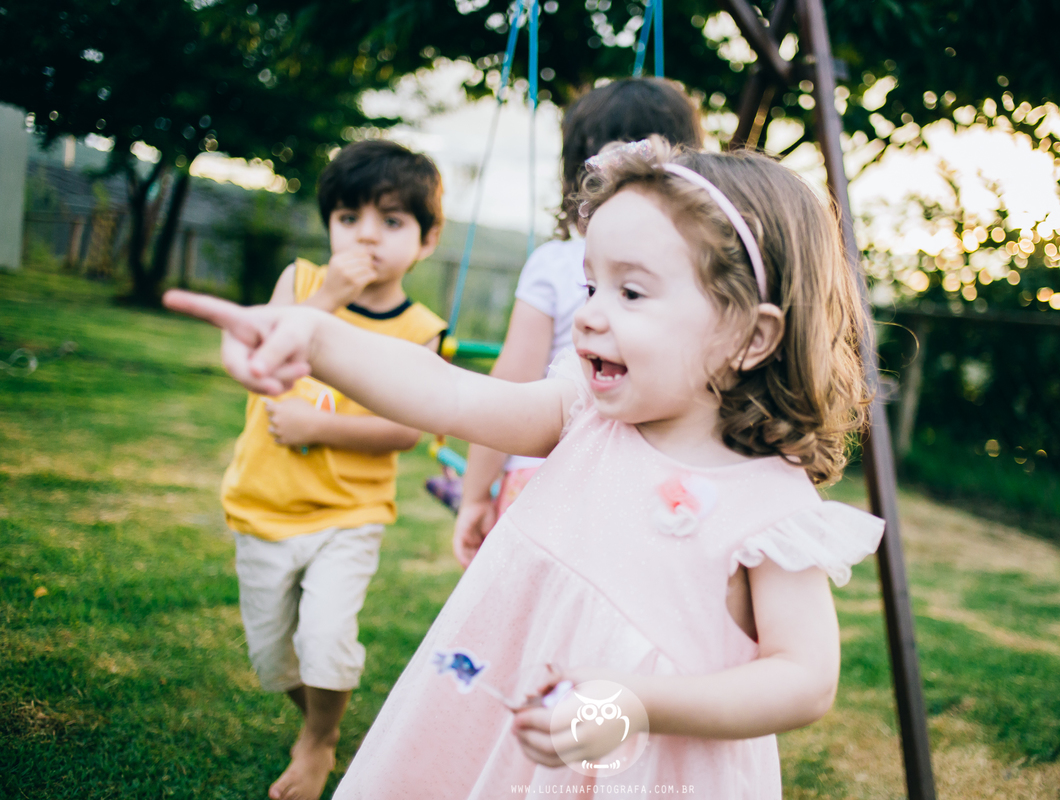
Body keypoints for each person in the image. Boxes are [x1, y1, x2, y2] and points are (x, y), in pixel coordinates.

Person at [166, 137, 885, 798]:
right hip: (489, 741)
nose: (592, 315)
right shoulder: (582, 413)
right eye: (590, 286)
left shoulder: (772, 515)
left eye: (630, 292)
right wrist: (315, 337)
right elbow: (448, 394)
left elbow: (803, 681)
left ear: (750, 335)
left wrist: (636, 702)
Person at [218, 140, 447, 800]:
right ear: (328, 227)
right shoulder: (300, 284)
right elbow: (262, 357)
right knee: (272, 658)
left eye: (392, 221)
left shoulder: (420, 329)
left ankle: (317, 741)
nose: (366, 236)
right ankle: (323, 717)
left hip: (349, 515)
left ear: (426, 241)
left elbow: (406, 427)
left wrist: (321, 427)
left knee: (325, 638)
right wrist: (331, 297)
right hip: (263, 505)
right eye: (348, 218)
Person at [453, 78, 704, 568]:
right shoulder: (693, 268)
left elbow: (512, 380)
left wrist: (474, 493)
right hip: (643, 480)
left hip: (544, 474)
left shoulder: (554, 262)